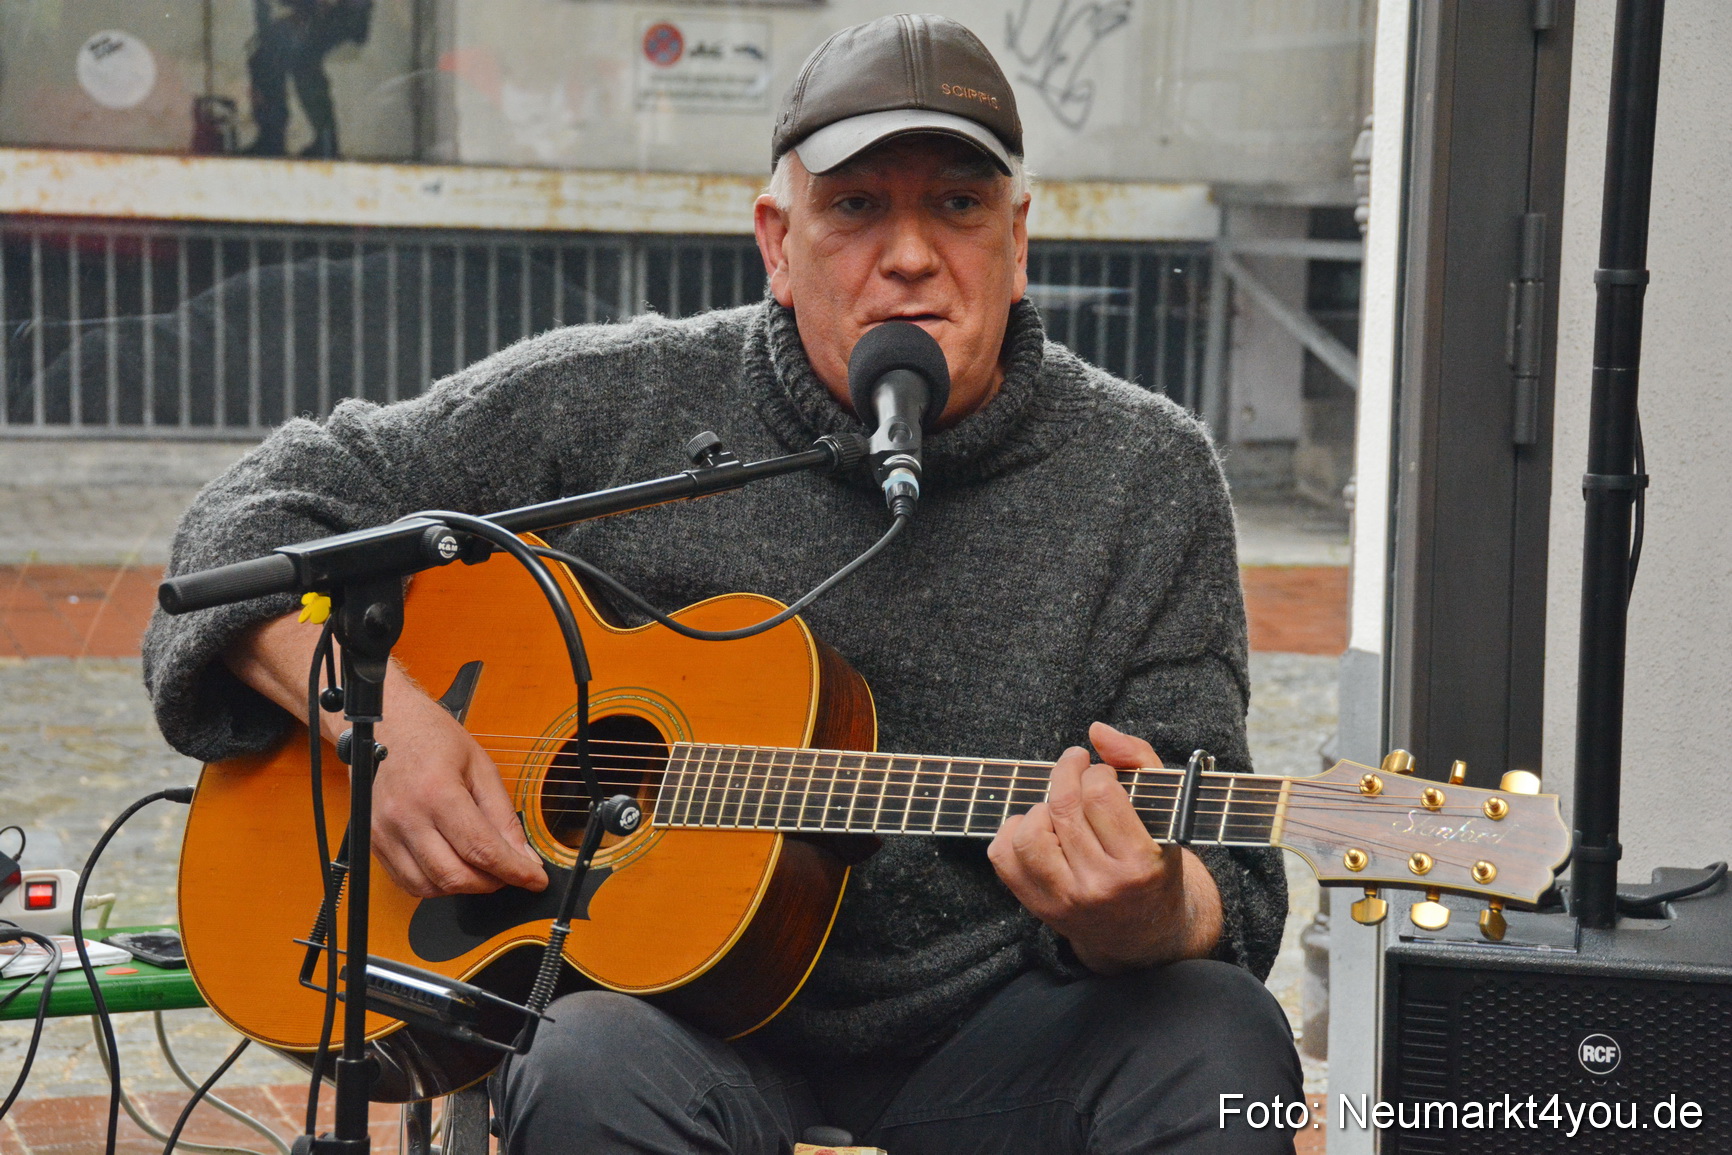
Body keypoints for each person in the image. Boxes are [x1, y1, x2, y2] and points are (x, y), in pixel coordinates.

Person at [146, 14, 1301, 1153]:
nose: (908, 255)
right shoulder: (615, 401)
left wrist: (1151, 910)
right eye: (855, 207)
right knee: (583, 1063)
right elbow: (241, 525)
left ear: (1018, 241)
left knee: (1220, 1040)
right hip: (674, 1037)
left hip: (1002, 1042)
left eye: (956, 204)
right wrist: (380, 726)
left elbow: (1233, 892)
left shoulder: (1144, 472)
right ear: (775, 242)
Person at [244, 0, 373, 158]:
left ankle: (280, 138)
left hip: (340, 11)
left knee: (295, 59)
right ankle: (281, 138)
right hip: (324, 11)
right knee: (278, 57)